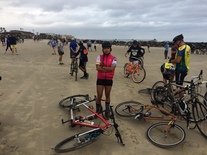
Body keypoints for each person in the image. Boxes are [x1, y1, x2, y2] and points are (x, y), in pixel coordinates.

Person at [95, 41, 117, 118]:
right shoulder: (99, 57)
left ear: (110, 49)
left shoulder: (114, 58)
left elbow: (112, 68)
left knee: (107, 95)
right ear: (102, 49)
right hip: (100, 79)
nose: (106, 50)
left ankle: (107, 110)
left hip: (109, 80)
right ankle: (98, 109)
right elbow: (97, 68)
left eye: (107, 48)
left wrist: (102, 68)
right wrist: (106, 69)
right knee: (99, 95)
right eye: (104, 48)